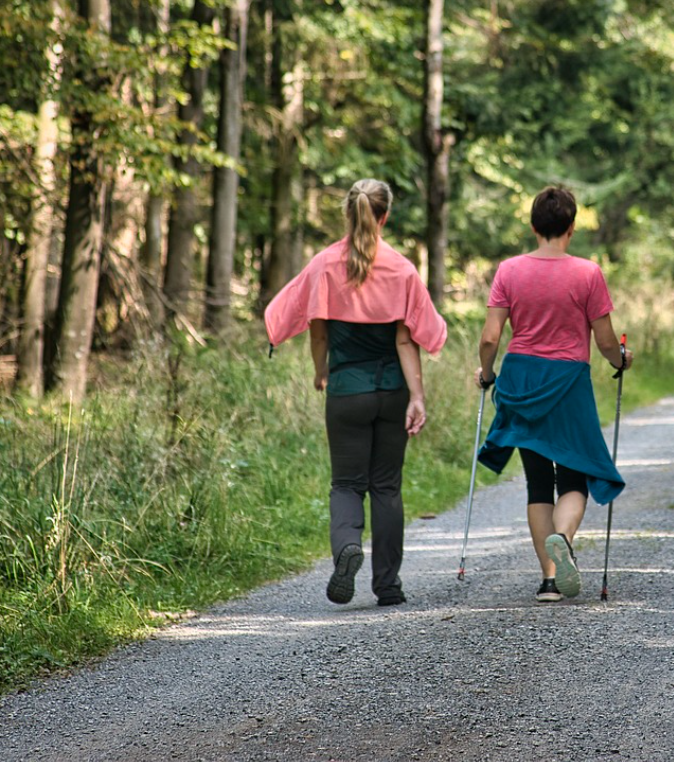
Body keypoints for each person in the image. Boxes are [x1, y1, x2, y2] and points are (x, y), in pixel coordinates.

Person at [265, 178, 447, 607]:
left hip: (346, 390)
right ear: (386, 216)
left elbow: (317, 333)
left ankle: (347, 547)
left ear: (348, 212)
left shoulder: (325, 265)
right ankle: (388, 586)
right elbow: (407, 340)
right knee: (387, 487)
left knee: (347, 484)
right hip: (393, 390)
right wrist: (417, 396)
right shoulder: (401, 269)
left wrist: (321, 371)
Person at [475, 187, 634, 603]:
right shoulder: (588, 273)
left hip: (521, 380)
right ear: (572, 227)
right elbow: (604, 341)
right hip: (568, 381)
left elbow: (490, 338)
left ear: (533, 226)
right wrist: (621, 360)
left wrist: (487, 375)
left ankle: (549, 580)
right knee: (574, 475)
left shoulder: (509, 270)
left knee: (538, 482)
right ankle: (562, 538)